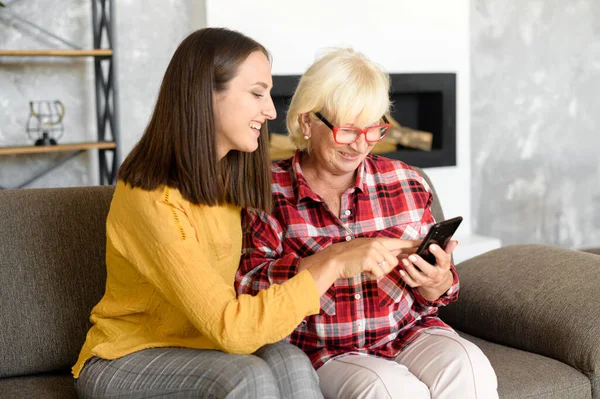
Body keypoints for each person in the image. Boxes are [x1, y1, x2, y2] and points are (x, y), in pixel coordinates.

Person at [72, 29, 415, 399]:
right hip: (126, 358)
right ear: (206, 95)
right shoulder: (152, 198)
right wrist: (328, 265)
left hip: (203, 344)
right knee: (247, 377)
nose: (270, 110)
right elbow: (229, 328)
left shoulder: (232, 177)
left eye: (268, 94)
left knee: (291, 359)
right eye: (256, 93)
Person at [236, 48, 499, 399]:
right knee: (389, 390)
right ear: (306, 122)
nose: (361, 145)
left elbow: (439, 294)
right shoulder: (265, 193)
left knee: (471, 367)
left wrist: (436, 281)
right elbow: (249, 291)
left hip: (410, 331)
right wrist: (334, 259)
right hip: (328, 350)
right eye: (347, 130)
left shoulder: (407, 181)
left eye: (373, 129)